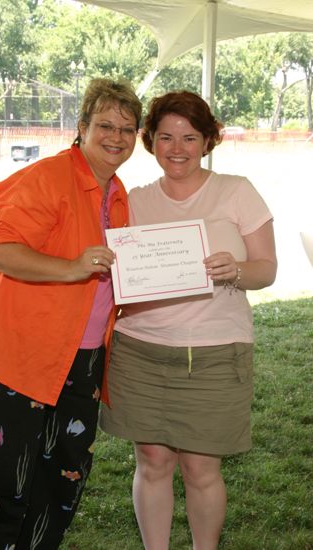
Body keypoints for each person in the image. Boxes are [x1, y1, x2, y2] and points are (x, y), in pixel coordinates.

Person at [0, 77, 141, 549]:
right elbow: (0, 251)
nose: (116, 137)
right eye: (105, 125)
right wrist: (72, 268)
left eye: (127, 128)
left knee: (60, 485)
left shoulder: (117, 195)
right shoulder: (46, 178)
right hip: (13, 360)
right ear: (81, 126)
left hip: (80, 364)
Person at [100, 90, 277, 550]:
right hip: (140, 350)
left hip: (215, 354)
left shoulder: (236, 190)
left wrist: (235, 270)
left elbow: (267, 269)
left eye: (189, 137)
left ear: (208, 141)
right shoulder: (132, 199)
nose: (177, 149)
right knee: (152, 462)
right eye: (165, 137)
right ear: (150, 141)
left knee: (201, 469)